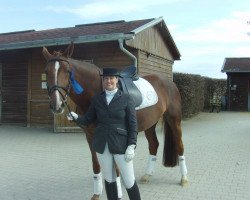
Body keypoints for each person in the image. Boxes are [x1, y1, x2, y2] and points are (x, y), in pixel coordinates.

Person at [67, 68, 141, 200]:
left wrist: (132, 145)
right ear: (103, 80)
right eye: (106, 78)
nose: (109, 81)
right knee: (109, 179)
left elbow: (132, 124)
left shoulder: (126, 98)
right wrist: (76, 116)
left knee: (129, 180)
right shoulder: (97, 99)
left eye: (112, 78)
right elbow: (88, 119)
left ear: (117, 80)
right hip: (102, 145)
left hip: (121, 145)